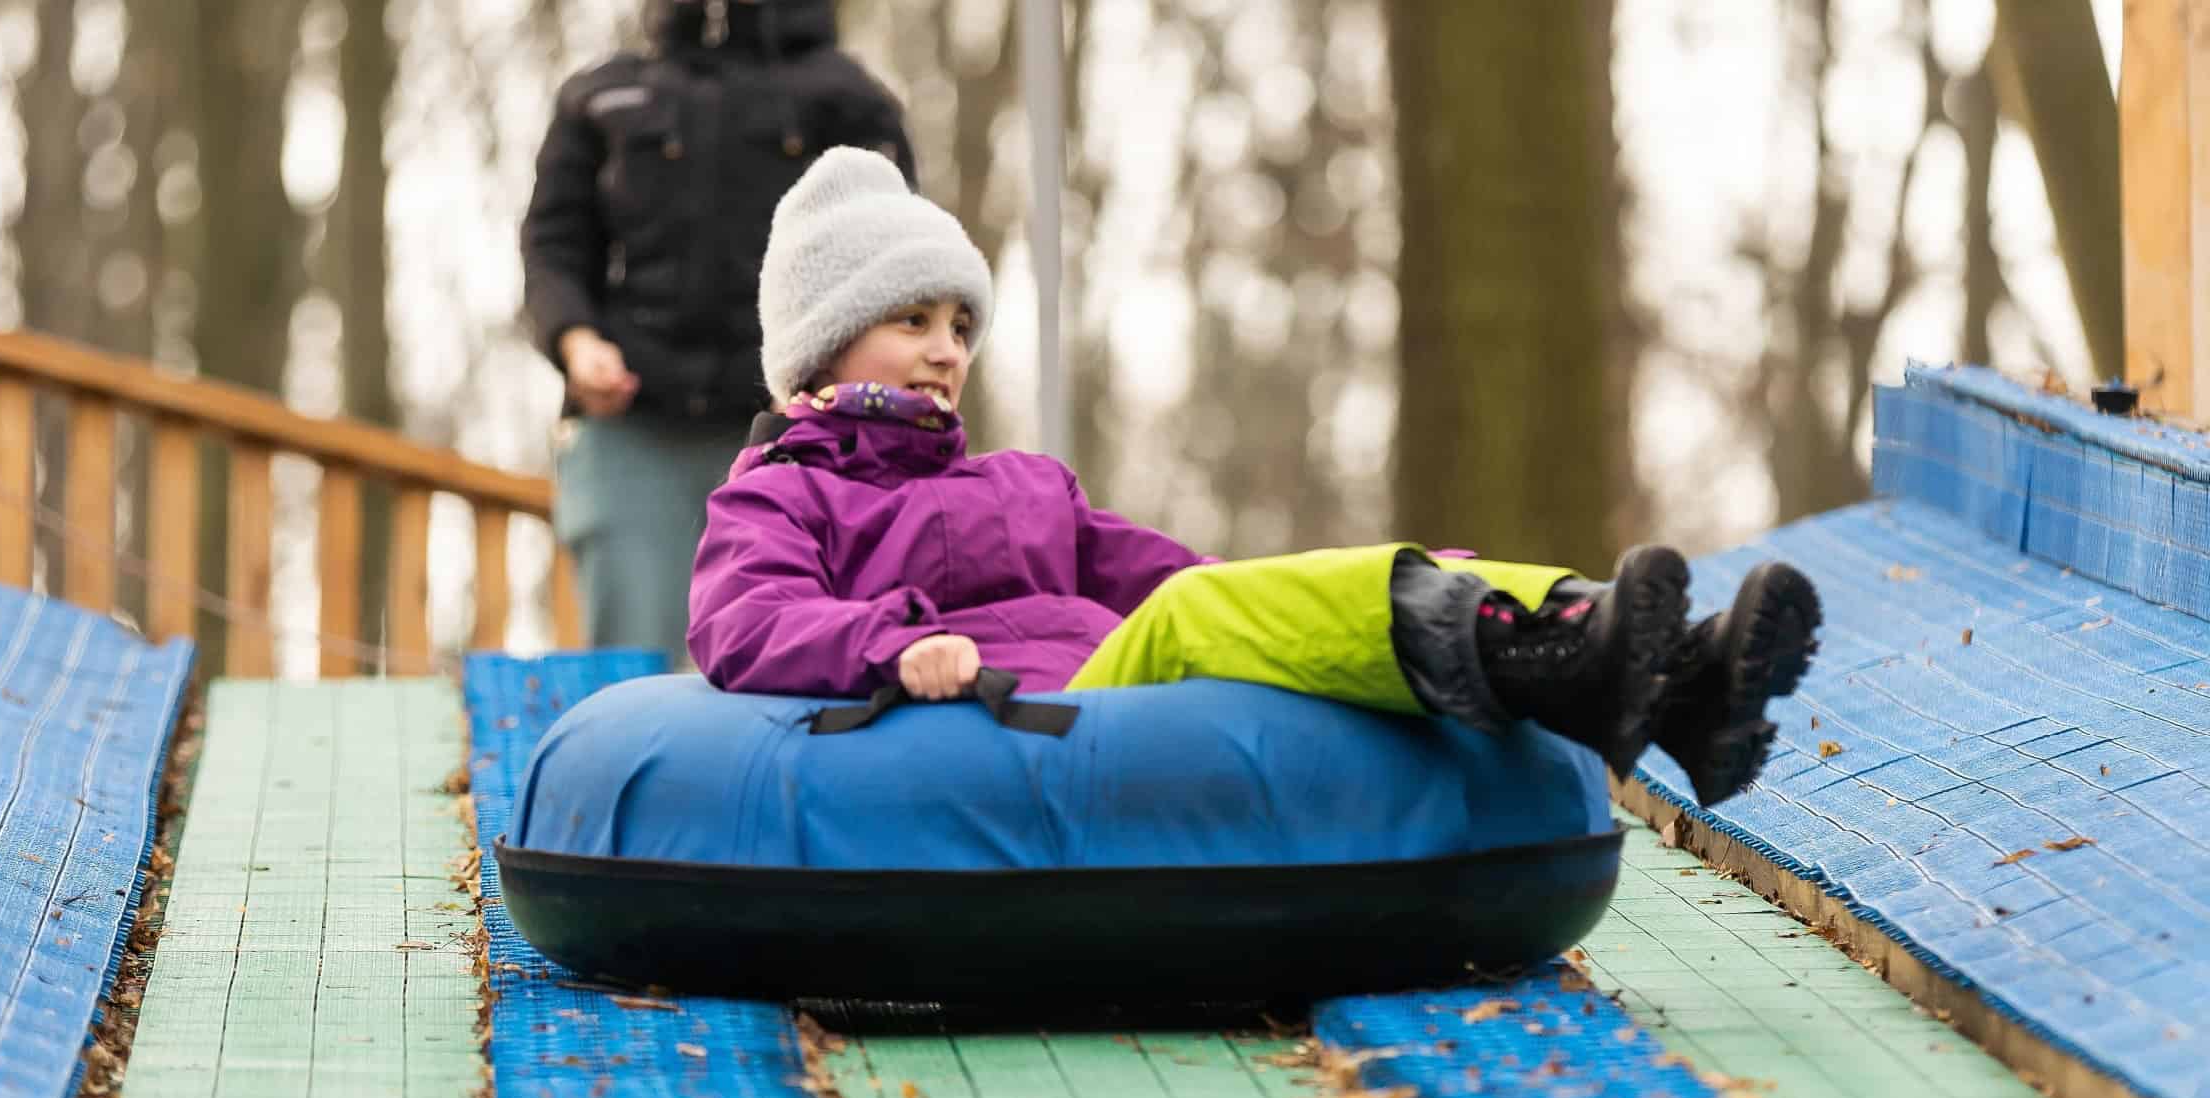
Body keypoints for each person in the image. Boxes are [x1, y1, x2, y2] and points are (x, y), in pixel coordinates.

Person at [687, 148, 1821, 806]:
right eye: (909, 321)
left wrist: (1348, 585)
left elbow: (1189, 573)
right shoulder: (784, 491)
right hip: (1039, 719)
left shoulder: (1025, 484)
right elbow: (743, 621)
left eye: (957, 324)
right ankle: (1559, 652)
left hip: (1134, 701)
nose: (945, 350)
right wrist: (891, 645)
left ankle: (1669, 679)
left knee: (1239, 591)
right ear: (821, 346)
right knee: (1193, 612)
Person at [522, 0, 916, 664]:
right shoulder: (602, 97)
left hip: (800, 439)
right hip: (634, 432)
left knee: (801, 663)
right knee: (632, 676)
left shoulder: (849, 100)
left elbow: (888, 264)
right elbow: (554, 246)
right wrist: (576, 341)